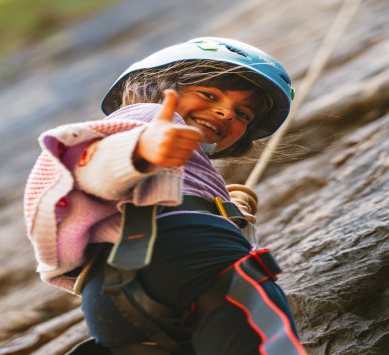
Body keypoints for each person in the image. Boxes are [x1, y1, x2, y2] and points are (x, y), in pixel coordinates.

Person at [23, 37, 306, 355]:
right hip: (189, 256)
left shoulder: (179, 167)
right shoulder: (148, 118)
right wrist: (141, 149)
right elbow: (94, 162)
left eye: (243, 115)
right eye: (208, 94)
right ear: (154, 87)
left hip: (111, 296)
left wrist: (226, 212)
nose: (226, 113)